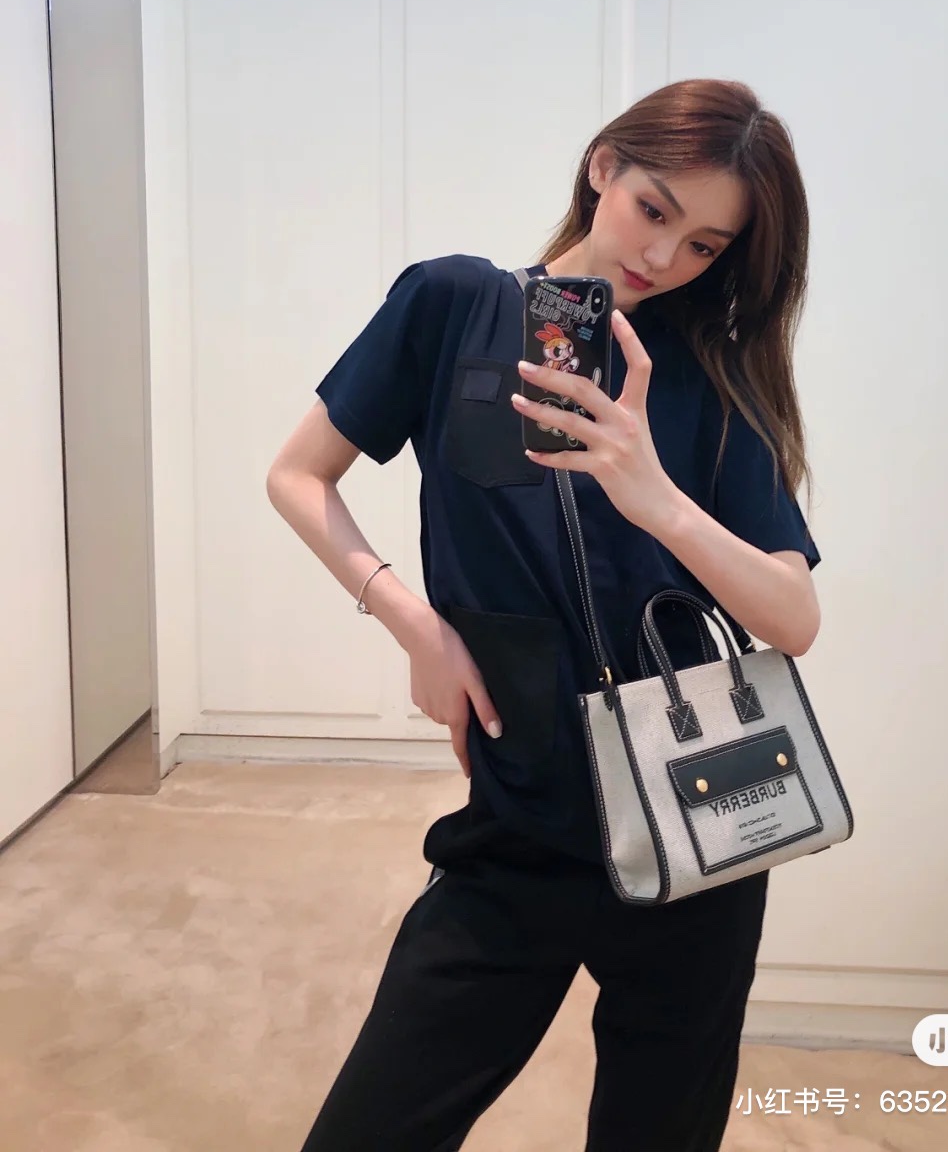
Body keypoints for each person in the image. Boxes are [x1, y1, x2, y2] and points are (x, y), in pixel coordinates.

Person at [266, 78, 822, 1152]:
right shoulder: (453, 306)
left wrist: (655, 496)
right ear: (604, 164)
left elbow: (794, 615)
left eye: (704, 245)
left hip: (696, 825)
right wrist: (414, 624)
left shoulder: (704, 373)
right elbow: (296, 474)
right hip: (518, 821)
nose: (662, 257)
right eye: (654, 209)